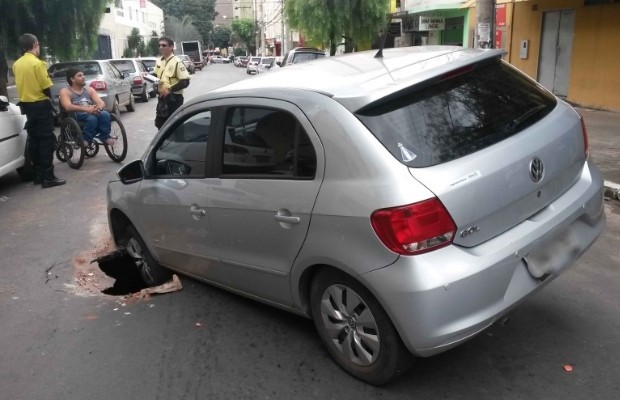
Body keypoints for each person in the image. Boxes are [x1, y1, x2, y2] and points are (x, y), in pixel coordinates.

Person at [12, 33, 66, 188]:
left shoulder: (17, 64)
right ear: (35, 44)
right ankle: (49, 177)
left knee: (34, 140)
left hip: (27, 106)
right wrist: (51, 103)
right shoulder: (38, 63)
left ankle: (38, 175)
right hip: (40, 105)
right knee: (46, 141)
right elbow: (45, 87)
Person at [59, 68, 115, 146]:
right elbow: (67, 106)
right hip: (76, 114)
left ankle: (105, 136)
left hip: (90, 112)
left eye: (83, 75)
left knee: (105, 114)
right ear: (72, 79)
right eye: (79, 76)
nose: (83, 77)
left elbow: (101, 102)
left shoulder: (89, 90)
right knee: (92, 119)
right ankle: (86, 139)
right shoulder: (65, 91)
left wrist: (98, 108)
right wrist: (86, 109)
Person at [154, 36, 190, 129]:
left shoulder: (177, 62)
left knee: (174, 126)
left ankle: (177, 143)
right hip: (162, 98)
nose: (161, 47)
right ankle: (163, 144)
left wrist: (169, 90)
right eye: (159, 45)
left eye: (164, 45)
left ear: (171, 47)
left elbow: (185, 82)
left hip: (174, 99)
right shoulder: (159, 61)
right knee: (160, 125)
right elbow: (157, 76)